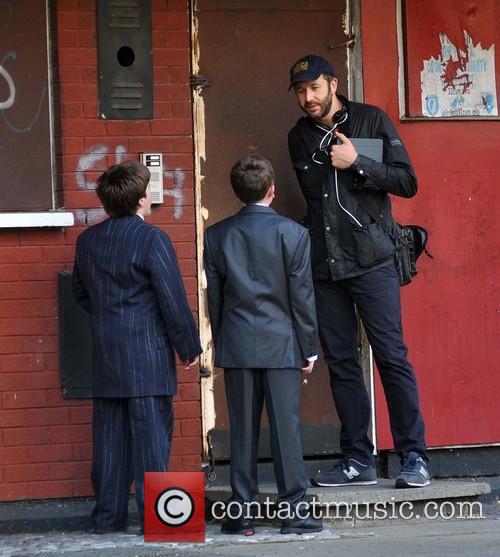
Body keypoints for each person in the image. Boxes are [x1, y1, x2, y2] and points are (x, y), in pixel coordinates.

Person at [287, 54, 429, 489]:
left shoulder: (371, 119)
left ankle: (414, 456)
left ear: (332, 83)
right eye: (300, 91)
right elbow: (317, 204)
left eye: (314, 88)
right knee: (342, 362)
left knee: (391, 356)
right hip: (326, 264)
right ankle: (356, 459)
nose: (308, 98)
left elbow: (407, 182)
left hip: (372, 261)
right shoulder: (298, 137)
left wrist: (358, 163)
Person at [73, 160, 202, 533]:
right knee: (151, 443)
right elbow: (171, 298)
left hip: (107, 354)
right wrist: (188, 346)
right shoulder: (153, 239)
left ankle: (108, 518)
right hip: (147, 357)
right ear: (143, 199)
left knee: (109, 444)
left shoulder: (87, 241)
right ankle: (164, 522)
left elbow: (81, 294)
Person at [204, 155, 322, 535]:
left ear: (236, 192)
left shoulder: (216, 235)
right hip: (282, 343)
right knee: (286, 429)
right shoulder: (294, 234)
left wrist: (223, 341)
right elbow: (301, 297)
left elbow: (216, 301)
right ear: (272, 190)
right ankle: (295, 513)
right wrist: (309, 347)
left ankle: (239, 512)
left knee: (241, 430)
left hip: (237, 343)